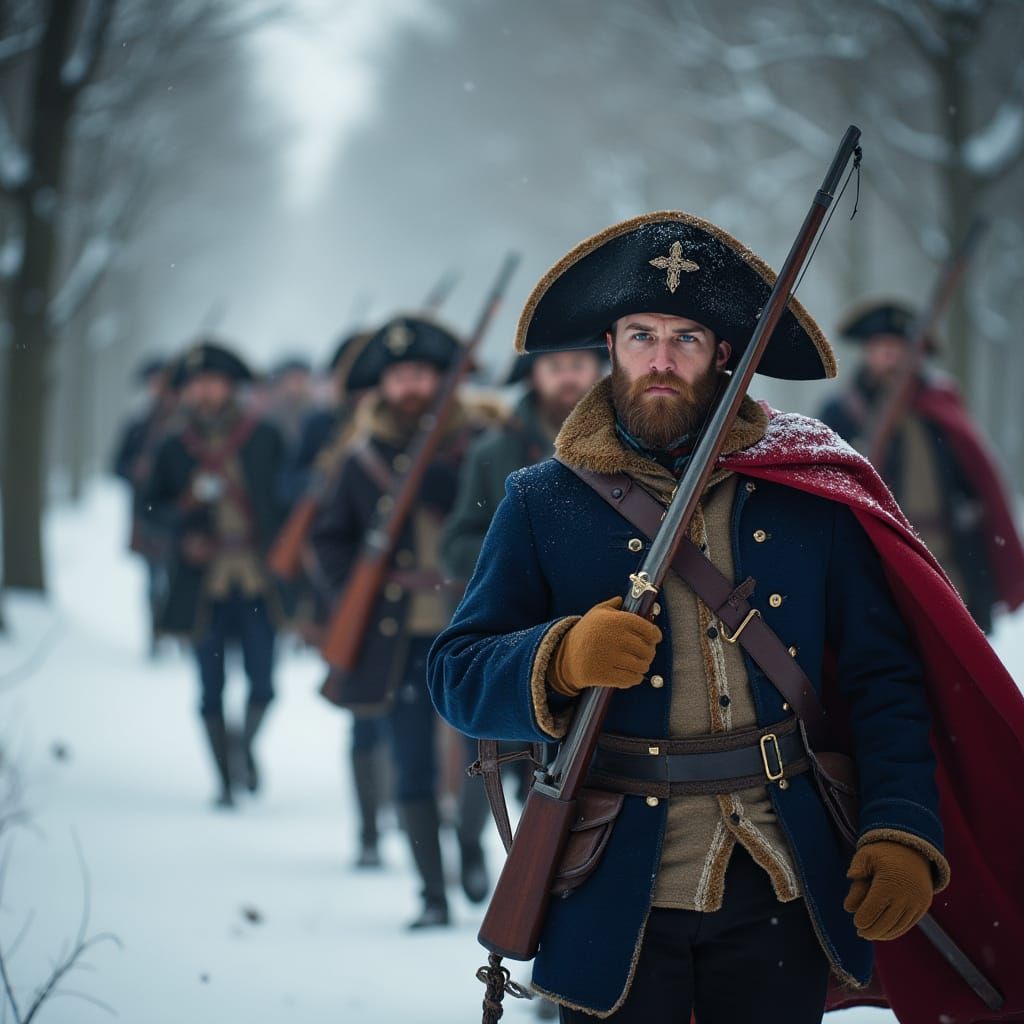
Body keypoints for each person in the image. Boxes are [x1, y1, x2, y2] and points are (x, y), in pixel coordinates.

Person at [425, 212, 1024, 1023]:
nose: (661, 359)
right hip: (612, 884)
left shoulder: (808, 487)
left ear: (724, 354)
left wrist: (900, 827)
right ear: (611, 346)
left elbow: (884, 679)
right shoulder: (539, 499)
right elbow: (456, 674)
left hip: (784, 878)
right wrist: (559, 657)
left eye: (687, 339)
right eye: (641, 336)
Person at [310, 315, 494, 927]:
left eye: (421, 373)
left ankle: (469, 844)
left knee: (484, 752)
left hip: (472, 625)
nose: (410, 386)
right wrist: (362, 586)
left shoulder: (481, 447)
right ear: (384, 385)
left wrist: (457, 491)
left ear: (442, 379)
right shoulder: (360, 459)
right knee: (412, 764)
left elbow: (505, 525)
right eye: (399, 376)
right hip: (398, 636)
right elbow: (328, 541)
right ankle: (432, 893)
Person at [819, 301, 1024, 633]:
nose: (891, 357)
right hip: (873, 564)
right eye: (881, 346)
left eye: (899, 347)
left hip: (948, 563)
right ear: (867, 351)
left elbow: (980, 491)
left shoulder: (941, 411)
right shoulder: (840, 414)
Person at [141, 340, 287, 808]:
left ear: (230, 387)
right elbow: (148, 509)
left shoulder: (265, 437)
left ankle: (241, 749)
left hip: (259, 580)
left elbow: (288, 497)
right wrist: (182, 533)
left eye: (213, 383)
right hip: (201, 585)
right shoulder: (171, 446)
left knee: (263, 684)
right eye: (196, 385)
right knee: (210, 688)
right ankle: (224, 781)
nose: (205, 392)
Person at [112, 357, 178, 655]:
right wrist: (135, 470)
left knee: (179, 576)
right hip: (146, 512)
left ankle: (181, 631)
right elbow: (117, 466)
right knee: (154, 578)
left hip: (178, 509)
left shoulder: (184, 424)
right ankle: (156, 633)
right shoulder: (138, 425)